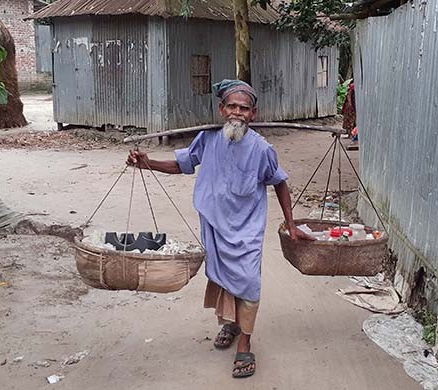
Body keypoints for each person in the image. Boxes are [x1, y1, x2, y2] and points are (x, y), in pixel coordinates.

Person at [127, 79, 313, 378]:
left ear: (253, 114)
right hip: (214, 225)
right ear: (221, 108)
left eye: (244, 108)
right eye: (231, 106)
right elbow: (182, 164)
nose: (237, 113)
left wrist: (292, 225)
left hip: (247, 230)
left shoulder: (262, 149)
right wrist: (147, 163)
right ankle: (230, 323)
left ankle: (245, 344)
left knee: (249, 282)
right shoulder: (208, 138)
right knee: (225, 279)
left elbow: (279, 182)